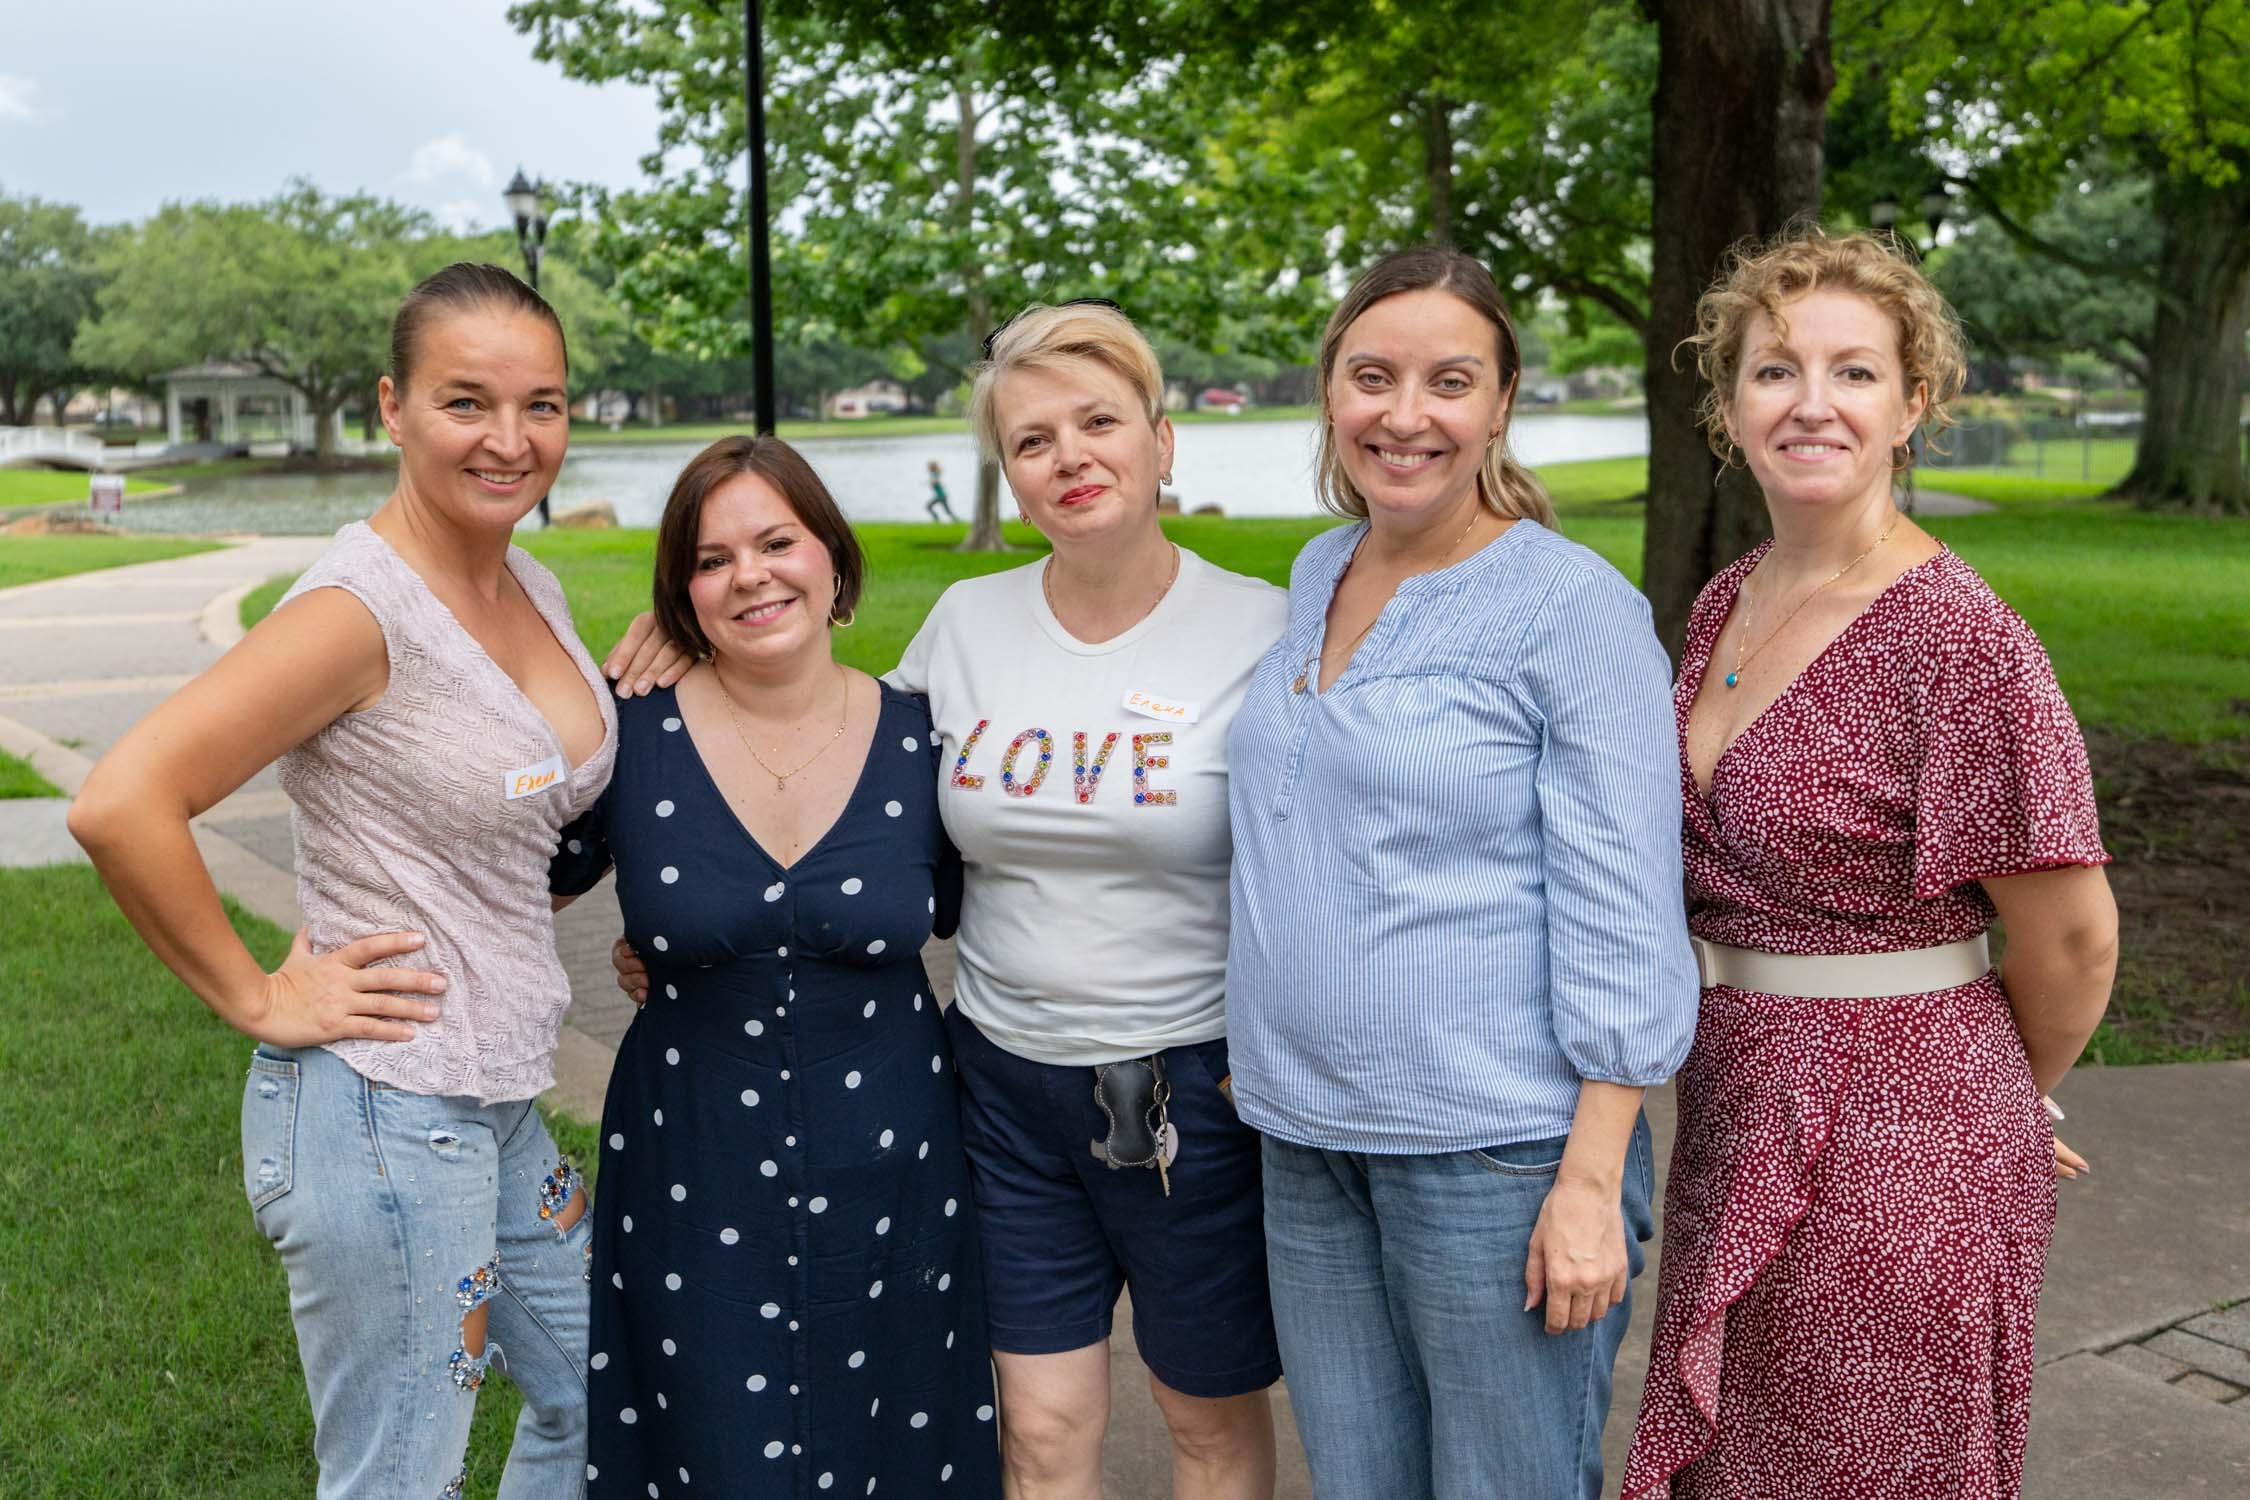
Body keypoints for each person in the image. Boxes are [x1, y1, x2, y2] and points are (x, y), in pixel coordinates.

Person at [607, 300, 1290, 1499]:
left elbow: (1322, 862)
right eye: (1032, 440)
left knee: (1207, 1423)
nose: (1069, 457)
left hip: (1192, 1095)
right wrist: (679, 643)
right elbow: (844, 771)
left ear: (1163, 440)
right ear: (1009, 475)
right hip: (1002, 1092)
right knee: (1035, 1432)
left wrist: (1281, 1043)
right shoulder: (965, 627)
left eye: (1099, 422)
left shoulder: (1263, 629)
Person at [69, 262, 610, 1498]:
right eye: (467, 402)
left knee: (602, 1391)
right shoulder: (356, 611)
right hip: (383, 1111)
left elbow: (526, 812)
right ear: (392, 407)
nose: (512, 440)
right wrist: (260, 999)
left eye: (546, 405)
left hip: (494, 1093)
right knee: (396, 1477)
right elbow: (121, 802)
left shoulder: (528, 580)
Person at [1621, 228, 2117, 1499]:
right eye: (1775, 371)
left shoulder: (1961, 640)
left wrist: (2002, 1092)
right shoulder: (1730, 597)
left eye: (1854, 372)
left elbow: (2070, 940)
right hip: (1739, 1104)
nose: (1813, 404)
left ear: (1914, 405)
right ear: (1730, 406)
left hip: (1906, 1139)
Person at [1222, 246, 1698, 1500]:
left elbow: (1628, 910)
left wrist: (1591, 1182)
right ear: (1331, 392)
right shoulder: (1320, 570)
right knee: (1361, 1485)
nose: (1405, 414)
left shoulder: (1570, 607)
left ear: (1499, 403)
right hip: (1306, 1141)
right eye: (1372, 376)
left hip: (1494, 1154)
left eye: (1448, 381)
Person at [549, 435, 1001, 1497]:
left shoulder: (923, 737)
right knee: (707, 1450)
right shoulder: (630, 735)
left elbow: (1018, 902)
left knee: (898, 1446)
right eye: (711, 561)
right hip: (691, 1165)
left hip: (897, 1171)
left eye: (776, 541)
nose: (749, 574)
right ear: (681, 595)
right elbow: (508, 883)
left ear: (832, 560)